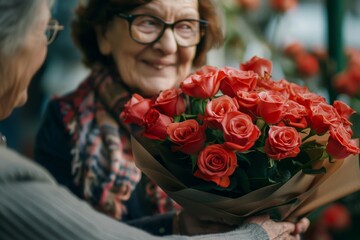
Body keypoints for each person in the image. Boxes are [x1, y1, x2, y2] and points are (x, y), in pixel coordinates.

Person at [27, 0, 310, 238]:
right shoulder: (66, 121)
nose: (168, 45)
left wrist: (279, 222)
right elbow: (58, 234)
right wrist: (174, 227)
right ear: (103, 34)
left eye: (186, 26)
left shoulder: (228, 117)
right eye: (147, 22)